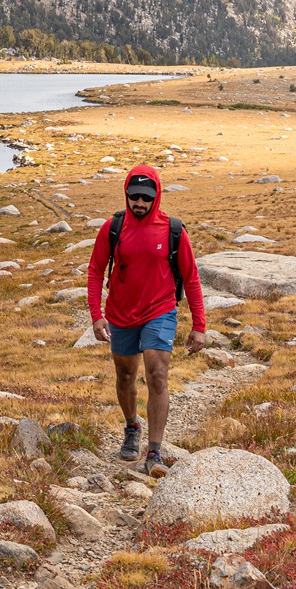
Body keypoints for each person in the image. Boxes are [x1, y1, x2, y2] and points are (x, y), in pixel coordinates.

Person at [87, 164, 206, 477]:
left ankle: (154, 452)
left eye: (146, 197)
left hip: (160, 310)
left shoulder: (173, 230)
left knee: (157, 373)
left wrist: (199, 325)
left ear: (157, 197)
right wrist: (96, 315)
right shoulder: (112, 228)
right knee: (126, 376)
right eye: (133, 196)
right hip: (121, 314)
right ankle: (131, 426)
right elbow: (96, 270)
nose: (139, 203)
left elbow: (191, 278)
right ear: (126, 194)